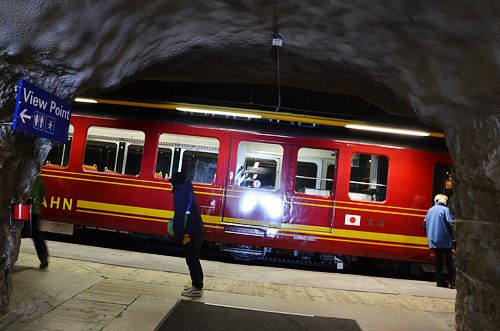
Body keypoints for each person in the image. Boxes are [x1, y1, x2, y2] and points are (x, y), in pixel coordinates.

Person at [168, 172, 205, 297]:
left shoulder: (179, 194)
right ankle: (199, 285)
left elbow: (179, 217)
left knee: (191, 260)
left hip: (190, 232)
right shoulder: (189, 191)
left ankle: (196, 288)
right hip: (198, 230)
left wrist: (178, 237)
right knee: (195, 259)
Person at [423, 194, 455, 288]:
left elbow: (424, 224)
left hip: (434, 240)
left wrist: (430, 235)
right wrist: (453, 238)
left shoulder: (430, 210)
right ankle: (452, 282)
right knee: (449, 260)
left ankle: (440, 282)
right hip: (445, 239)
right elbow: (450, 225)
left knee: (439, 260)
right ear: (445, 201)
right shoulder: (446, 210)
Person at [31, 175, 49, 269]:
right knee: (36, 235)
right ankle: (44, 258)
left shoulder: (28, 178)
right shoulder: (39, 179)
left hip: (25, 209)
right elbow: (43, 194)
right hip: (35, 210)